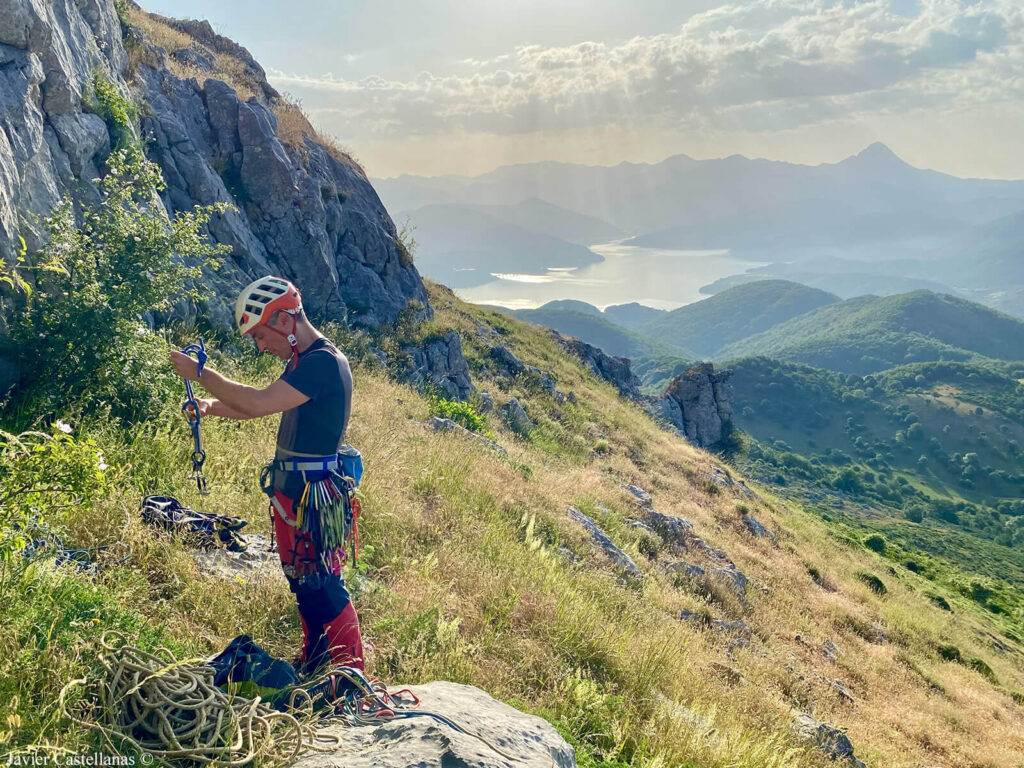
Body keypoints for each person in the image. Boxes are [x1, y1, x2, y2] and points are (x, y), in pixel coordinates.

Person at [169, 275, 365, 673]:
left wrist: (201, 374)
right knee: (303, 581)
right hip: (296, 494)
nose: (260, 346)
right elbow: (258, 404)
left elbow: (258, 403)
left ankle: (350, 674)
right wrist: (209, 406)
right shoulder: (303, 362)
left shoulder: (323, 363)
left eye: (260, 335)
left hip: (312, 497)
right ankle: (317, 659)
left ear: (284, 321)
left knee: (324, 585)